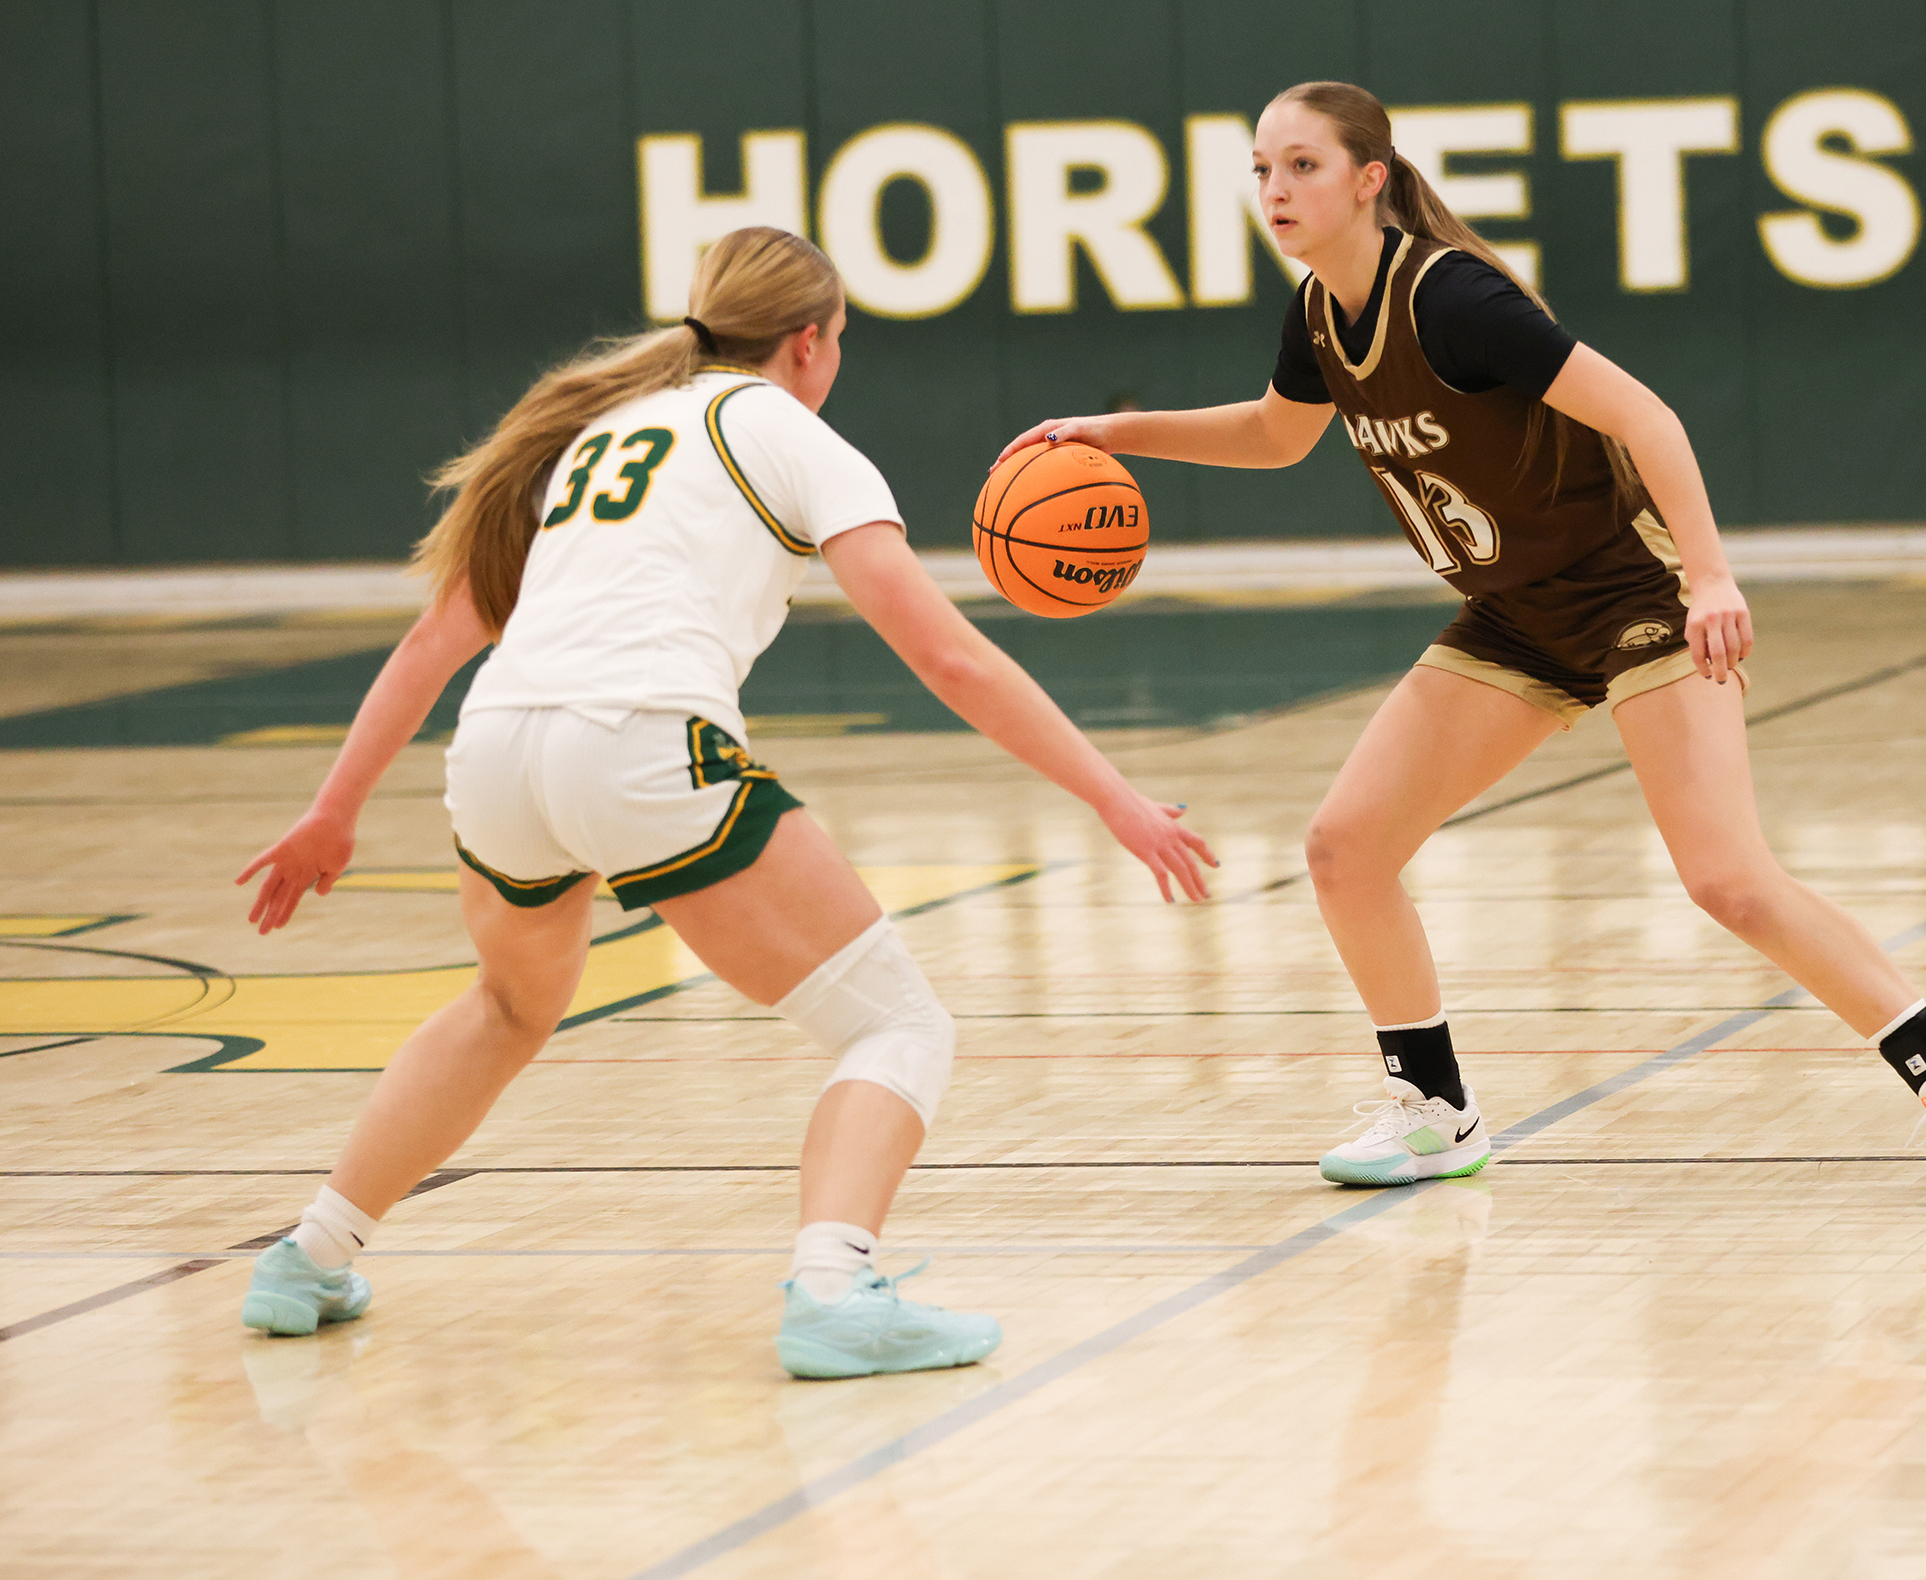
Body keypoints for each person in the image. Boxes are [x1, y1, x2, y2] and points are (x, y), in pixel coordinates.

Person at [994, 82, 1926, 1207]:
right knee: (1346, 847)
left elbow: (1648, 417)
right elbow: (1276, 432)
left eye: (1300, 166)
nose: (1274, 190)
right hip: (1515, 615)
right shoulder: (1317, 312)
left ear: (1368, 179)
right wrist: (1113, 433)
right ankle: (1435, 1112)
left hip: (1633, 592)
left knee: (1726, 878)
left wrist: (1714, 575)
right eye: (1260, 169)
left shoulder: (1455, 299)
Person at [234, 226, 1217, 1375]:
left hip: (498, 750)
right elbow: (951, 659)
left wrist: (333, 809)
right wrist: (1116, 796)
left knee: (507, 1006)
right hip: (640, 742)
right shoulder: (797, 438)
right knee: (897, 1023)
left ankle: (306, 1255)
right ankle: (835, 1290)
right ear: (808, 342)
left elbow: (434, 639)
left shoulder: (595, 433)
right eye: (840, 339)